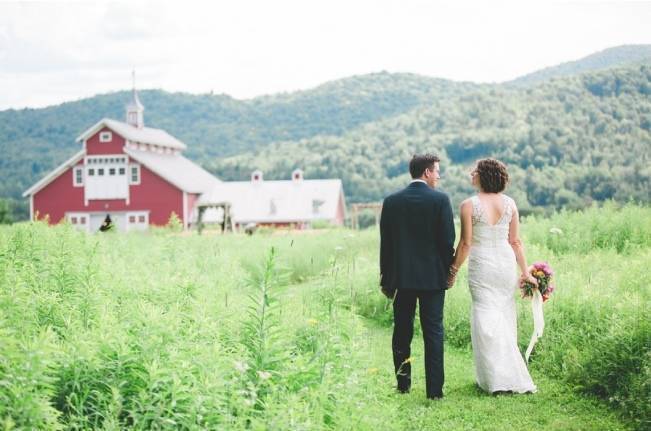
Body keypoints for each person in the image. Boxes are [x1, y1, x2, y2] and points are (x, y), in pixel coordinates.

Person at [447, 158, 537, 394]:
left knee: (485, 317)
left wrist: (453, 271)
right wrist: (525, 272)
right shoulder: (510, 204)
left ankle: (494, 379)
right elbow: (515, 241)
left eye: (474, 171)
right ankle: (506, 374)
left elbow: (465, 244)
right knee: (504, 315)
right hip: (505, 264)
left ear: (483, 175)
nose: (470, 174)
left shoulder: (468, 205)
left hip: (483, 265)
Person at [380, 153, 455, 399]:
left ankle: (403, 385)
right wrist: (448, 271)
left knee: (402, 333)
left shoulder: (391, 202)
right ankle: (435, 391)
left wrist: (386, 279)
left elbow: (386, 245)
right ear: (426, 173)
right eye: (436, 172)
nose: (438, 176)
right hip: (433, 279)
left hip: (402, 279)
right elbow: (447, 242)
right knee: (433, 333)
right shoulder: (441, 200)